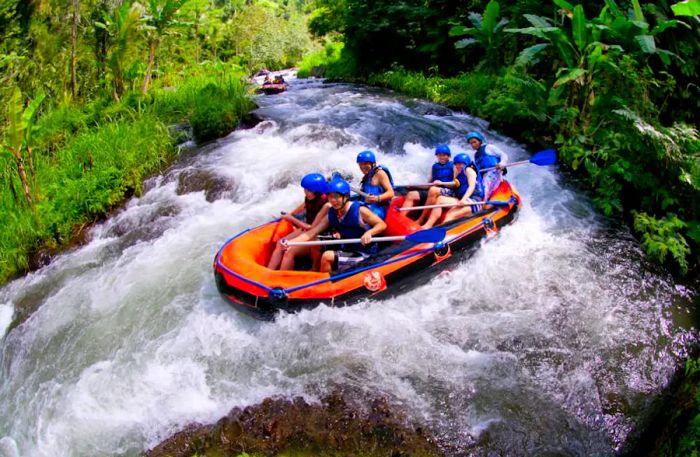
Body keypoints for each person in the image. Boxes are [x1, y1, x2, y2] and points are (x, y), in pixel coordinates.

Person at [280, 178, 387, 273]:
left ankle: (325, 283)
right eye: (330, 197)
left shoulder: (360, 211)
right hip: (346, 246)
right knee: (316, 241)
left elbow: (382, 224)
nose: (333, 201)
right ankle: (314, 269)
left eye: (336, 197)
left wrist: (369, 232)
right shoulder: (332, 213)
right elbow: (311, 233)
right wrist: (289, 242)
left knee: (327, 256)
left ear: (346, 197)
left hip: (363, 252)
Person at [267, 173, 329, 270]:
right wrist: (288, 215)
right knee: (280, 243)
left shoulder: (325, 205)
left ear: (317, 192)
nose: (306, 192)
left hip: (316, 236)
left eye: (309, 191)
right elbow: (299, 209)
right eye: (305, 189)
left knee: (289, 250)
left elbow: (312, 228)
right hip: (306, 230)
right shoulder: (309, 198)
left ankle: (282, 279)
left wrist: (291, 219)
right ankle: (268, 272)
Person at [421, 153, 485, 228]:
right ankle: (428, 225)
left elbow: (472, 186)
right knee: (440, 199)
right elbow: (456, 185)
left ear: (466, 163)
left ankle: (442, 233)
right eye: (457, 164)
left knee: (451, 214)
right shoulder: (459, 172)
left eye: (461, 164)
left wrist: (463, 200)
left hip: (474, 201)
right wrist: (442, 183)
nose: (458, 166)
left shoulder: (469, 170)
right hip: (461, 198)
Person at [401, 144, 456, 224]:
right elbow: (428, 185)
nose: (442, 157)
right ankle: (400, 218)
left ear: (449, 156)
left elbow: (455, 184)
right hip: (433, 191)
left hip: (448, 191)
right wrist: (415, 185)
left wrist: (442, 183)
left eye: (444, 155)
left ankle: (422, 219)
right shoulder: (434, 167)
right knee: (411, 194)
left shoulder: (453, 166)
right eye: (439, 155)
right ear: (437, 156)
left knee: (433, 190)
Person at [465, 131, 508, 199]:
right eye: (471, 143)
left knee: (484, 188)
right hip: (484, 176)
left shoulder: (489, 147)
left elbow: (503, 155)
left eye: (474, 142)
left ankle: (483, 201)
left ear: (480, 141)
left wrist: (501, 163)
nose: (473, 145)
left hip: (495, 172)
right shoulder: (476, 155)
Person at [356, 150, 395, 219]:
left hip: (379, 210)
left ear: (373, 164)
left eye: (365, 164)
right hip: (368, 207)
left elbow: (391, 193)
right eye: (360, 164)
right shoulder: (367, 176)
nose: (362, 167)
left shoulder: (380, 173)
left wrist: (377, 198)